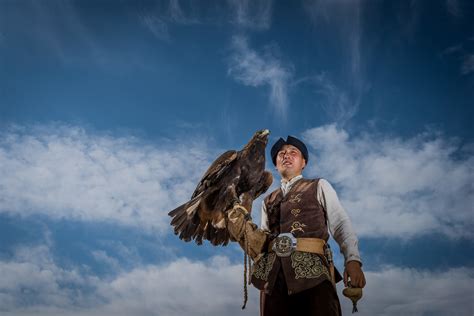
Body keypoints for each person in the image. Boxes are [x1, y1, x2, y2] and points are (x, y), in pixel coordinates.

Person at [249, 135, 366, 316]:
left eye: (293, 153)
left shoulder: (318, 185)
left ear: (303, 162)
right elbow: (263, 240)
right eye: (281, 154)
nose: (286, 156)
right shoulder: (268, 200)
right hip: (273, 280)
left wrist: (352, 259)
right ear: (275, 164)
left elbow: (341, 223)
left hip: (313, 274)